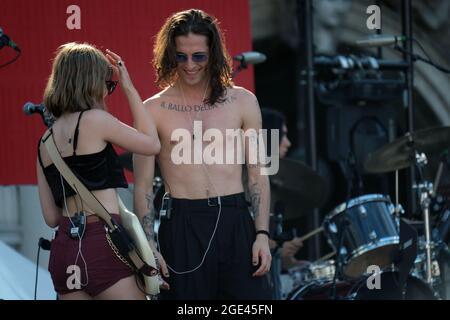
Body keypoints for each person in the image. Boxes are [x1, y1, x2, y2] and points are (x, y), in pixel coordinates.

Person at [133, 9, 272, 300]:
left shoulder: (244, 101)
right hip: (182, 222)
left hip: (235, 218)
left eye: (199, 56)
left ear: (214, 53)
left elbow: (259, 173)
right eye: (181, 57)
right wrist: (149, 247)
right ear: (170, 55)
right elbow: (143, 185)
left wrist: (262, 235)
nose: (190, 65)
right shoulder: (152, 109)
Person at [36, 43, 160, 300]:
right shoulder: (95, 120)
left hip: (64, 250)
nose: (107, 91)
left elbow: (50, 217)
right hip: (101, 243)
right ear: (93, 83)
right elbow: (152, 144)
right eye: (108, 84)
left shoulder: (44, 142)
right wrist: (128, 87)